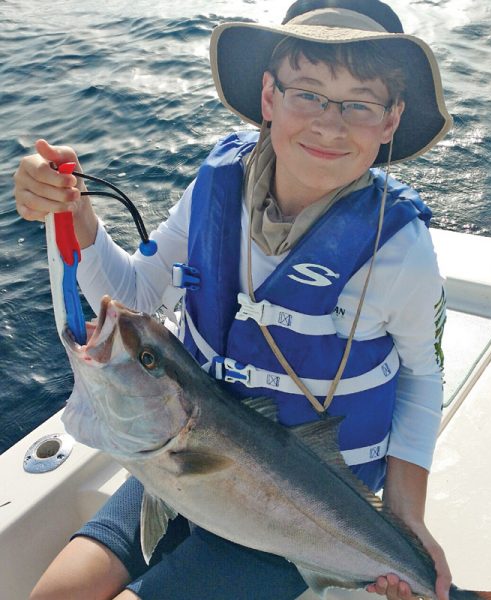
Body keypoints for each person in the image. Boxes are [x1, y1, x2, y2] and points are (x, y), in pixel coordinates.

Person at [14, 1, 454, 599]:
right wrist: (75, 214)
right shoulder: (216, 187)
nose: (330, 124)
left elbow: (423, 378)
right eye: (309, 94)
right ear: (269, 98)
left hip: (304, 508)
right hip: (174, 462)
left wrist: (408, 522)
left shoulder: (400, 252)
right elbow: (133, 296)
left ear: (391, 120)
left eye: (360, 103)